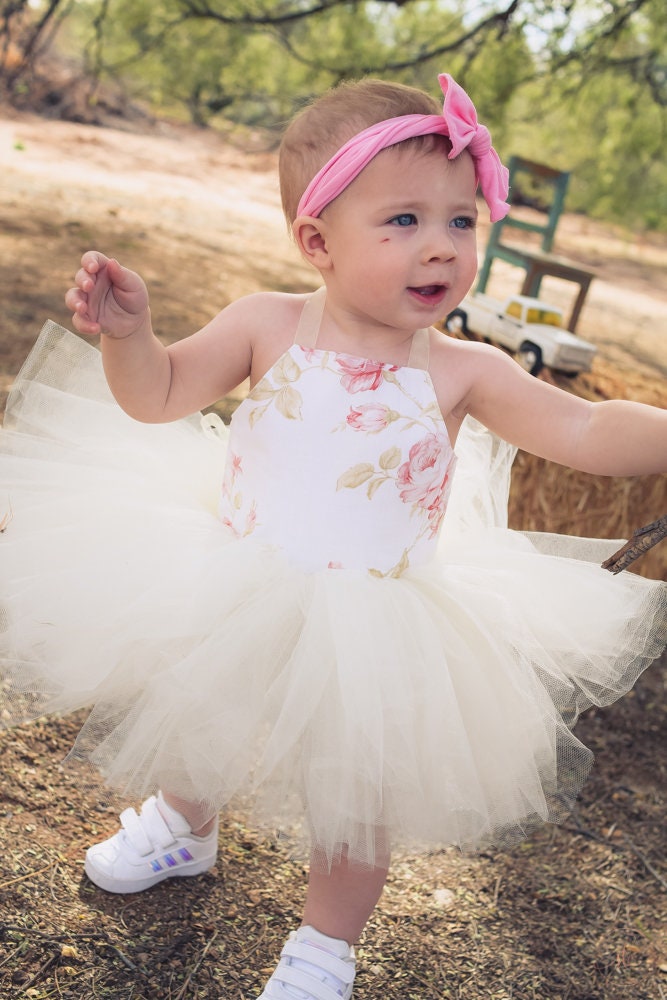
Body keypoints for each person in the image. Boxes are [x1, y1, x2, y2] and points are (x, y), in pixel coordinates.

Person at [1, 72, 665, 1000]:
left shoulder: (464, 369)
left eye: (461, 221)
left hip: (376, 610)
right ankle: (185, 825)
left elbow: (586, 432)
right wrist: (130, 336)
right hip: (237, 568)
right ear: (317, 239)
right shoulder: (264, 324)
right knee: (202, 706)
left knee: (358, 790)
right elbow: (156, 396)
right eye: (402, 221)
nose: (440, 246)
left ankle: (324, 944)